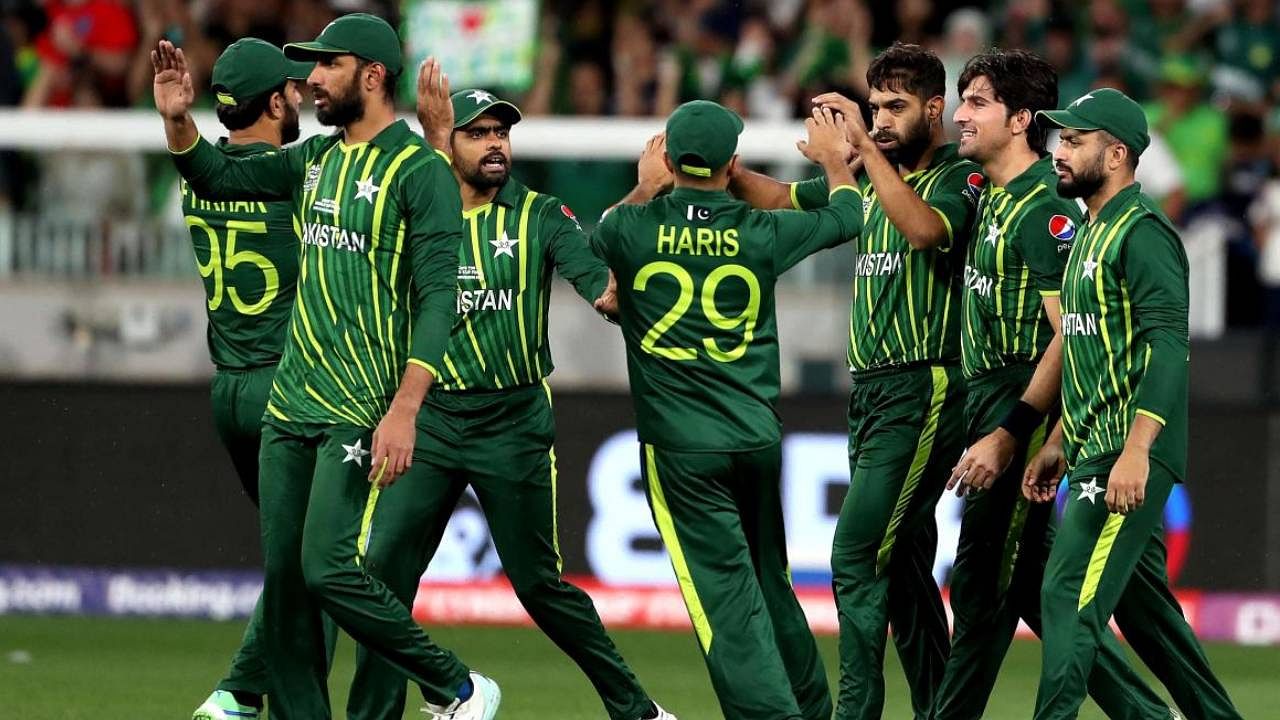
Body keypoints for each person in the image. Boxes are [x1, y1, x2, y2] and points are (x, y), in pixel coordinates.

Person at [152, 13, 500, 719]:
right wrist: (178, 121)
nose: (310, 80)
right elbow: (216, 175)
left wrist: (405, 407)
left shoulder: (418, 172)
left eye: (326, 66)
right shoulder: (316, 160)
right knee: (285, 587)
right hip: (288, 405)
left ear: (371, 76)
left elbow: (441, 299)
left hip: (358, 405)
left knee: (327, 570)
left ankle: (458, 686)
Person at [343, 61, 673, 720]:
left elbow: (600, 287)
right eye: (478, 133)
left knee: (540, 588)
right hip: (429, 420)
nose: (496, 144)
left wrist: (637, 216)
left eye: (502, 132)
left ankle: (637, 711)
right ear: (449, 143)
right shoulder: (410, 212)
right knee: (380, 579)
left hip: (513, 423)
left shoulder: (542, 215)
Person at [732, 43, 979, 720]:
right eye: (874, 108)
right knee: (900, 571)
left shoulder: (962, 180)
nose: (881, 120)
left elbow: (926, 233)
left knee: (855, 555)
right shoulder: (873, 179)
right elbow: (783, 197)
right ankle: (939, 708)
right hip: (870, 392)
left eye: (896, 107)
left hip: (924, 388)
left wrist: (861, 153)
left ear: (937, 108)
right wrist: (717, 169)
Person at [592, 100, 860, 719]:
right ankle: (813, 711)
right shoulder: (757, 232)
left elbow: (604, 230)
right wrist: (831, 166)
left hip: (681, 448)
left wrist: (645, 183)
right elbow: (848, 215)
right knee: (771, 586)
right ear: (734, 164)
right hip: (756, 440)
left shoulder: (631, 229)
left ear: (667, 159)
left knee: (725, 604)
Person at [936, 49, 1173, 720]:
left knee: (985, 591)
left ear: (1020, 120)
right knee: (1033, 587)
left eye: (977, 101)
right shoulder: (991, 194)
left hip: (1024, 404)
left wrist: (1015, 432)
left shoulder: (1046, 205)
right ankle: (1149, 715)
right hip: (994, 399)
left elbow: (1072, 333)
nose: (961, 114)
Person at [1028, 87, 1244, 720]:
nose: (1059, 153)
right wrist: (1060, 439)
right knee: (1151, 620)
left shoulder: (1143, 233)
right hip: (1092, 447)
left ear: (1117, 153)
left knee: (1067, 597)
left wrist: (1137, 452)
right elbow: (1096, 358)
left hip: (1125, 459)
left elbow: (1168, 349)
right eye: (1060, 140)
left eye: (1074, 141)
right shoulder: (1091, 233)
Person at [181, 39, 324, 720]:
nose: (299, 97)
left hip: (227, 391)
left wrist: (176, 123)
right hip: (286, 392)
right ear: (273, 101)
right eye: (291, 91)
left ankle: (254, 695)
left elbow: (195, 158)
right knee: (319, 556)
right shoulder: (296, 175)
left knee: (304, 558)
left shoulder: (198, 180)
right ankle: (240, 692)